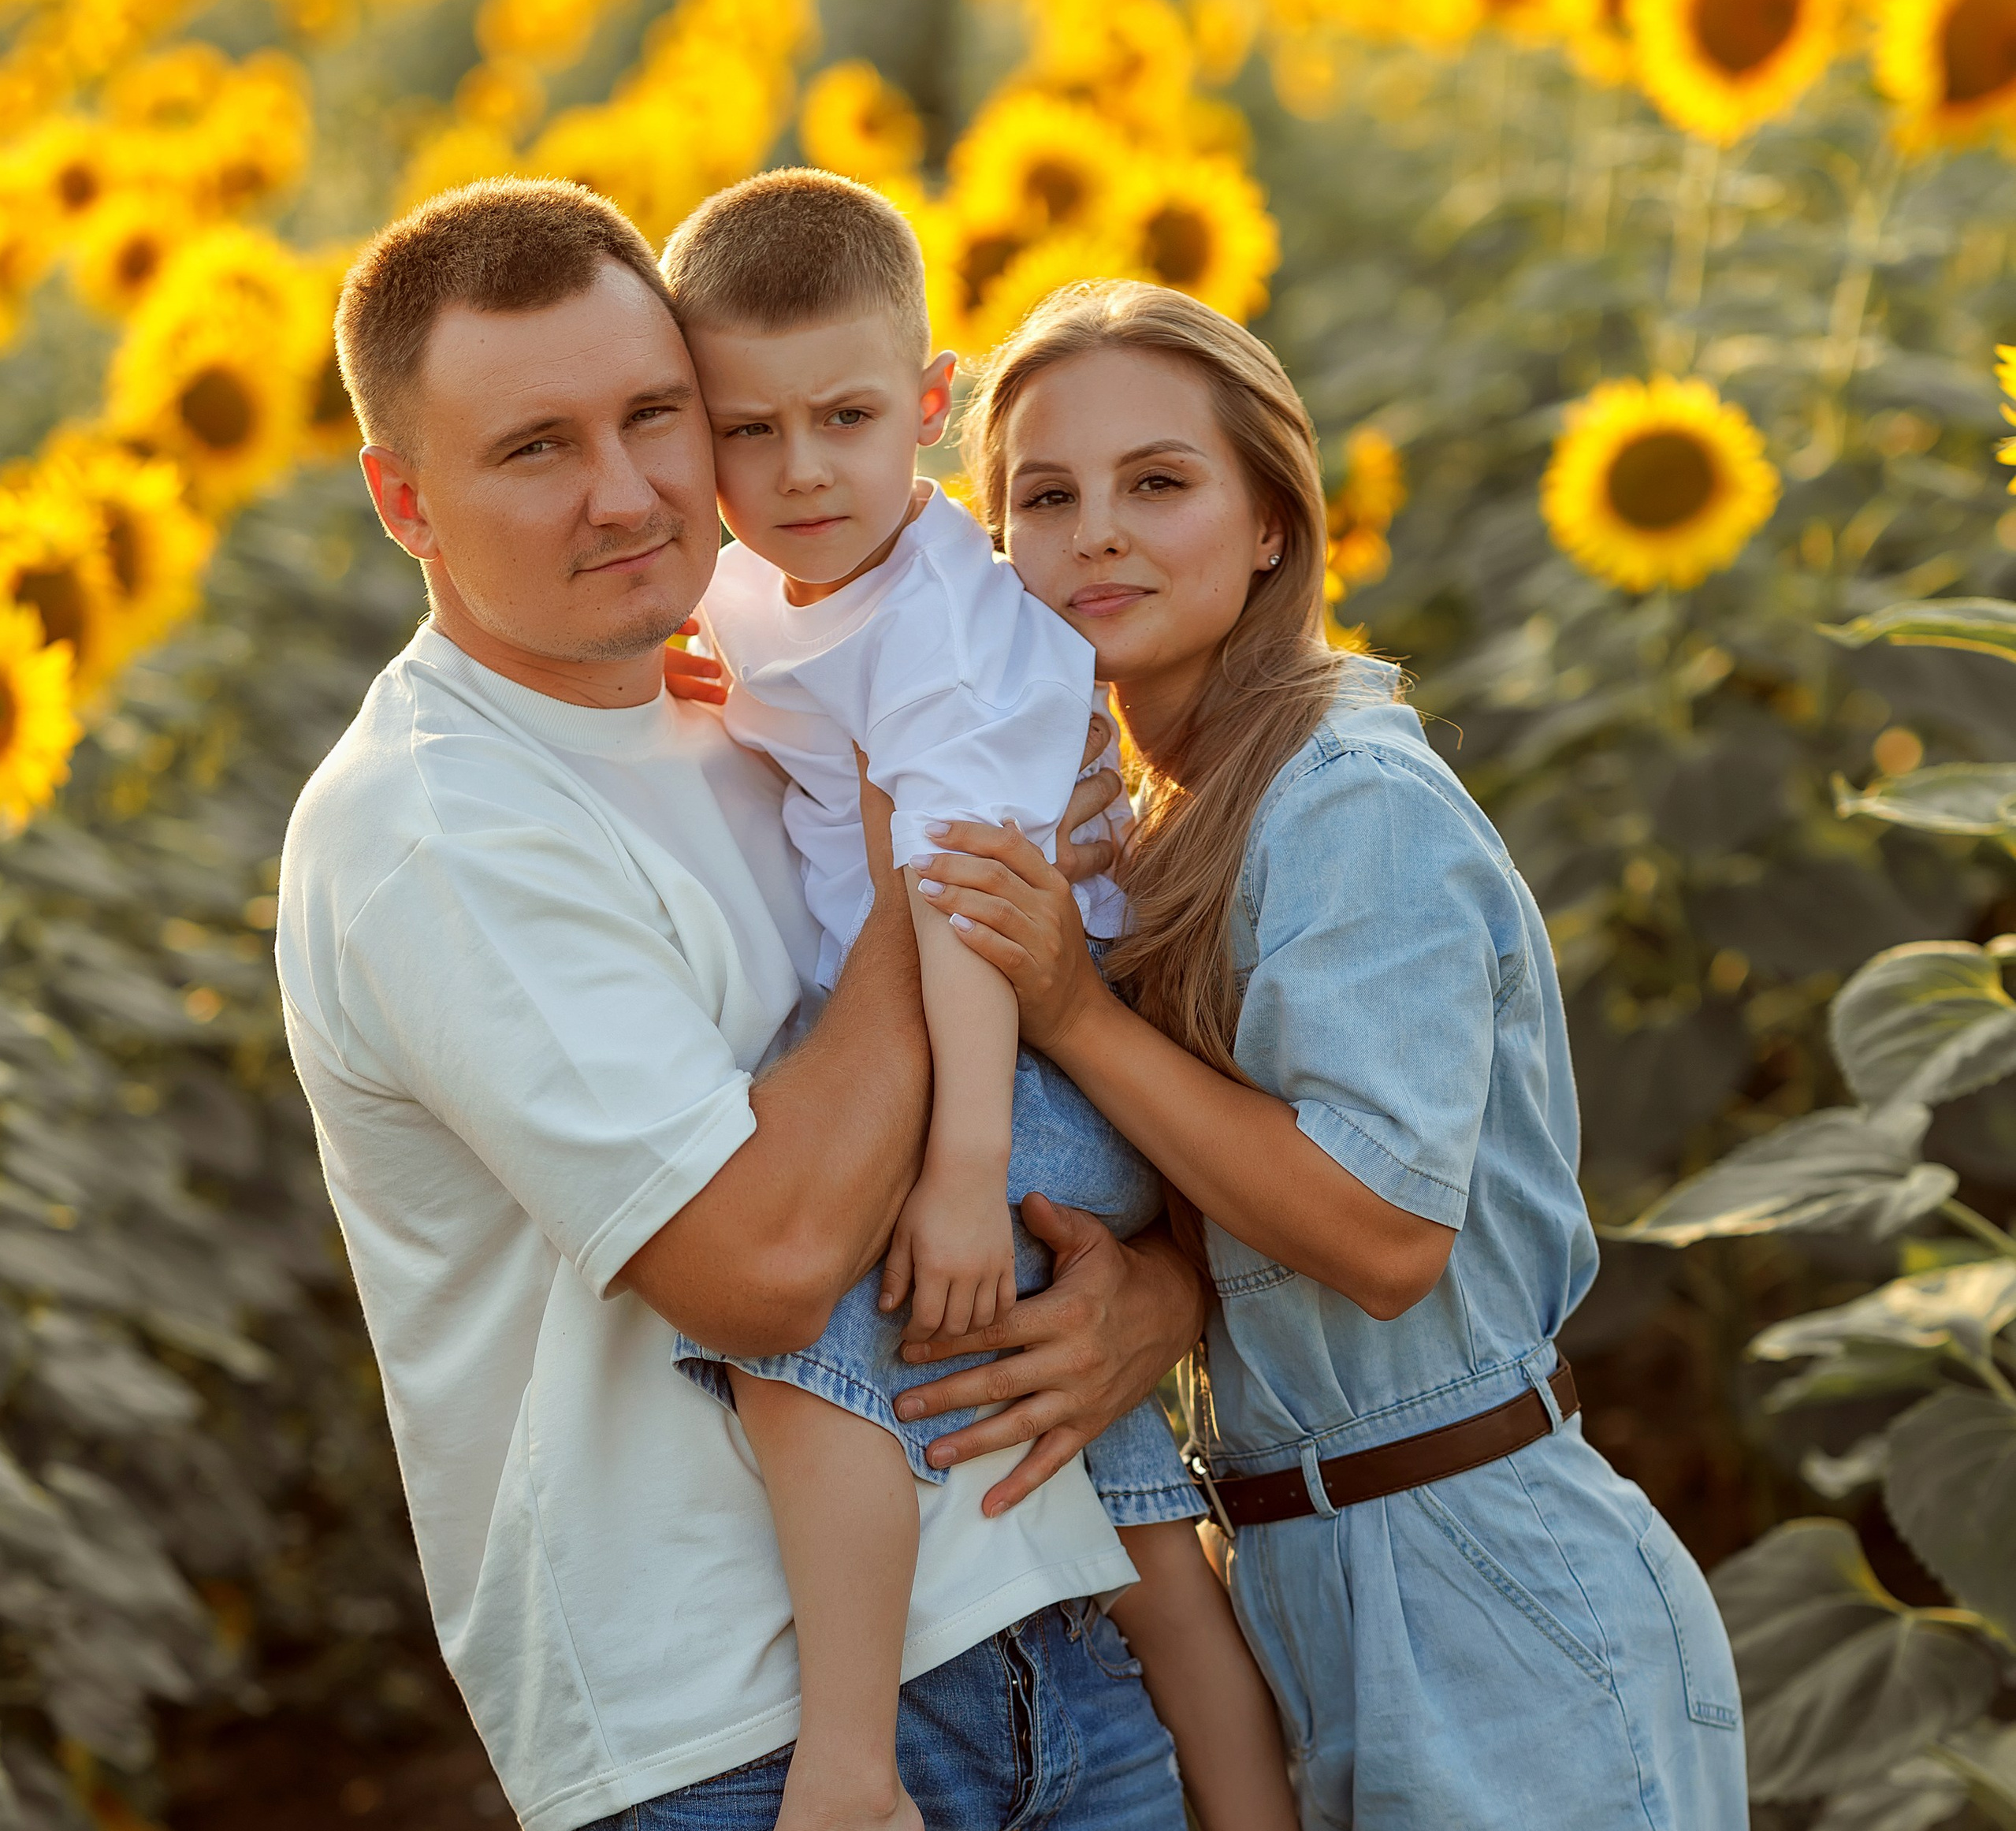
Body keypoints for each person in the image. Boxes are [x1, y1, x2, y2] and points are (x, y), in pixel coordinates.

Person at [275, 180, 1211, 1831]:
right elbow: (767, 1268)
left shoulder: (745, 698)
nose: (631, 492)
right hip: (741, 1733)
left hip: (1046, 1623)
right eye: (534, 448)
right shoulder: (439, 827)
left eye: (655, 416)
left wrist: (1154, 1296)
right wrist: (931, 862)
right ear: (400, 500)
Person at [898, 278, 1750, 1829]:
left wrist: (1074, 1010)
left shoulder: (1345, 801)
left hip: (1480, 1586)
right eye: (1045, 495)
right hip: (1312, 1573)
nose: (1096, 532)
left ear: (1273, 522)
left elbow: (1380, 1230)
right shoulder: (1152, 816)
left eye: (1158, 482)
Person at [655, 168, 1299, 1831]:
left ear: (932, 409)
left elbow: (966, 906)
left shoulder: (947, 626)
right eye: (747, 433)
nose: (797, 473)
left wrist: (951, 1170)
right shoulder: (773, 576)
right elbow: (754, 655)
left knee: (805, 1350)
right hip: (997, 1055)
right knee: (1142, 1521)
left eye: (847, 418)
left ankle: (849, 1765)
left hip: (1015, 1067)